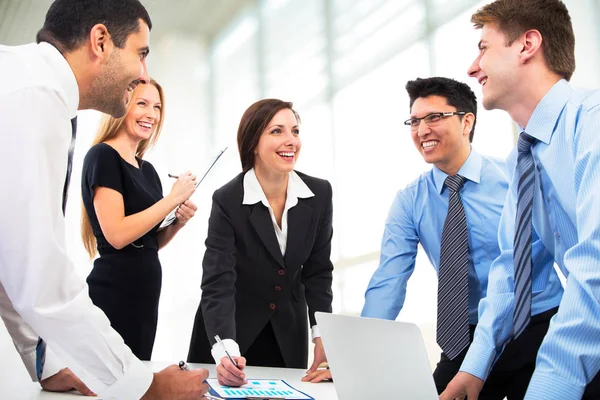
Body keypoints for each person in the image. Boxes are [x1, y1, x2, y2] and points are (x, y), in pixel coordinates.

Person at [0, 1, 209, 398]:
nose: (144, 73)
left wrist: (45, 363)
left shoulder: (38, 93)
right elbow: (40, 276)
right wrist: (144, 386)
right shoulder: (35, 97)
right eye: (141, 53)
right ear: (100, 41)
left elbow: (9, 258)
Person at [350, 77, 563, 397]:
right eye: (415, 121)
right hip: (464, 335)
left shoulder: (514, 177)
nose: (422, 130)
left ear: (467, 121)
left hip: (538, 327)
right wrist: (359, 353)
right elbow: (389, 280)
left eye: (434, 117)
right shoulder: (410, 200)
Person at [440, 1, 600, 399]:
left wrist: (549, 386)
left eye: (484, 48)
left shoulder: (593, 123)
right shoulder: (523, 160)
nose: (472, 67)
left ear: (527, 44)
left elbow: (595, 265)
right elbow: (513, 268)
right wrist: (474, 367)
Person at [187, 98, 334, 387]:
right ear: (254, 142)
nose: (290, 140)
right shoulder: (228, 200)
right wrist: (225, 349)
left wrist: (322, 335)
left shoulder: (319, 194)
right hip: (230, 335)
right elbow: (218, 281)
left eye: (295, 130)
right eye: (277, 131)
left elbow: (318, 272)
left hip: (286, 337)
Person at [81, 79, 198, 361]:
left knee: (136, 379)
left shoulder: (148, 171)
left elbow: (148, 243)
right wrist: (171, 199)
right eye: (142, 104)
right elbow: (117, 235)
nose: (151, 114)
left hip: (144, 294)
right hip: (114, 291)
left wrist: (177, 223)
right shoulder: (103, 156)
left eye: (157, 107)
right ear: (122, 105)